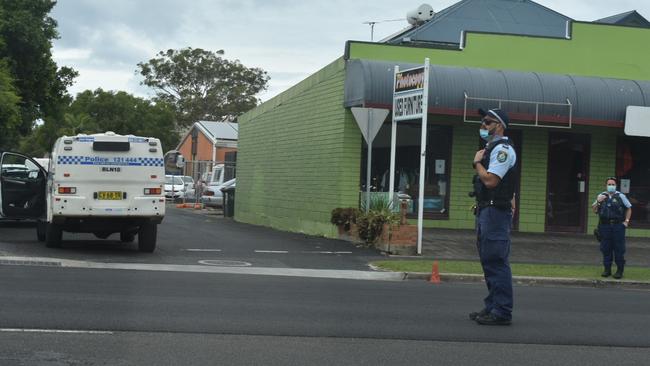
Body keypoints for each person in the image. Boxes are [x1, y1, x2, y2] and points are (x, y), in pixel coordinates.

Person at [469, 108, 517, 326]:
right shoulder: (491, 149)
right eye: (483, 122)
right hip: (487, 211)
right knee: (488, 262)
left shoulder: (502, 150)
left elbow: (491, 181)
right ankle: (492, 306)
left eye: (488, 122)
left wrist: (477, 163)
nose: (484, 127)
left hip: (495, 213)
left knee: (496, 262)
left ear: (500, 125)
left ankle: (502, 311)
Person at [592, 177, 632, 279]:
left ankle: (619, 271)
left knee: (619, 248)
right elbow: (594, 210)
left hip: (618, 226)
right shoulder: (601, 196)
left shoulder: (621, 196)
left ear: (616, 185)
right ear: (605, 185)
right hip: (604, 226)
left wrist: (626, 222)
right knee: (606, 248)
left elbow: (629, 208)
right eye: (609, 184)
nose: (611, 186)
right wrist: (597, 201)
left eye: (613, 184)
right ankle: (607, 270)